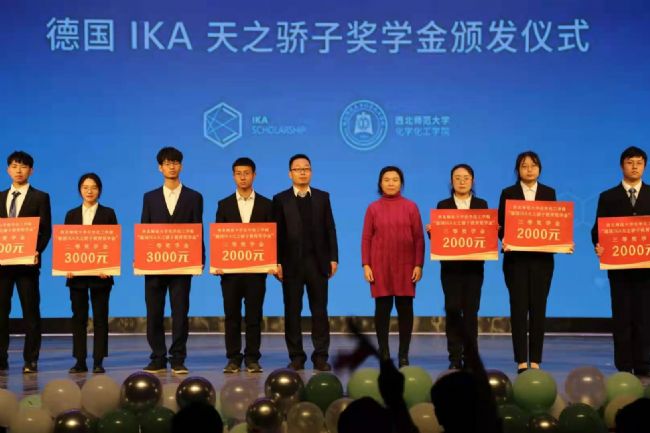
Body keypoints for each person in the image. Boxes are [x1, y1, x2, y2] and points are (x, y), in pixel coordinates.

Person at [141, 147, 203, 374]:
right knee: (154, 313)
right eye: (167, 163)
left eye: (175, 162)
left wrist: (200, 258)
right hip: (155, 265)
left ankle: (178, 358)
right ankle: (157, 357)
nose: (172, 167)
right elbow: (145, 229)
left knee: (180, 313)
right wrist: (141, 257)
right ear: (160, 167)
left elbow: (198, 229)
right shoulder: (150, 197)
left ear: (181, 166)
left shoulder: (194, 197)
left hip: (183, 264)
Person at [273, 154, 338, 371]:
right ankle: (296, 357)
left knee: (320, 311)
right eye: (298, 169)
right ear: (290, 173)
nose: (302, 172)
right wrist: (276, 262)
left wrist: (333, 258)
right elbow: (276, 234)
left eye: (306, 168)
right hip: (290, 265)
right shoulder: (280, 199)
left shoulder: (322, 197)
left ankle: (321, 356)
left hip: (317, 263)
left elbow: (330, 228)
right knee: (292, 312)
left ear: (311, 172)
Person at [592, 146, 650, 376]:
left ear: (644, 166)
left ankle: (644, 364)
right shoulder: (608, 197)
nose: (634, 167)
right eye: (630, 162)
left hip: (646, 269)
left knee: (645, 317)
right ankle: (624, 365)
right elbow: (597, 230)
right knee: (622, 317)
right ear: (621, 166)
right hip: (619, 269)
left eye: (639, 162)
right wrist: (599, 245)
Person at [498, 151, 557, 374]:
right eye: (524, 166)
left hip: (542, 262)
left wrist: (562, 242)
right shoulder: (508, 193)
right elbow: (501, 226)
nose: (529, 170)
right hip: (516, 261)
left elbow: (555, 224)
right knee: (519, 309)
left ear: (539, 168)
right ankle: (522, 359)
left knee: (539, 309)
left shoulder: (549, 193)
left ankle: (536, 359)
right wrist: (504, 238)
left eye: (533, 165)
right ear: (518, 170)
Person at [214, 157, 273, 374]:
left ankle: (252, 358)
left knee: (254, 317)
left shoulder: (267, 204)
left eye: (247, 173)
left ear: (254, 175)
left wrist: (273, 262)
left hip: (256, 273)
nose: (243, 177)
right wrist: (217, 263)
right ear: (233, 176)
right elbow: (219, 237)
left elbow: (272, 237)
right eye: (238, 173)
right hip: (230, 273)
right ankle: (233, 358)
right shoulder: (224, 204)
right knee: (232, 317)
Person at [361, 166, 424, 367]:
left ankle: (403, 355)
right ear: (380, 183)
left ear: (401, 183)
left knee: (405, 310)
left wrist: (418, 264)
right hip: (380, 265)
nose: (391, 183)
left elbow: (419, 238)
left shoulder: (411, 207)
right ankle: (384, 353)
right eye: (386, 179)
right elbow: (366, 238)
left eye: (395, 180)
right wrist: (366, 264)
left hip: (406, 265)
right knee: (382, 310)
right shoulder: (373, 208)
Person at [428, 164, 487, 370]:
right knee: (453, 311)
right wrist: (432, 232)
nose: (462, 181)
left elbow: (486, 235)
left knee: (471, 312)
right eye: (457, 178)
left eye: (466, 177)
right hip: (450, 269)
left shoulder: (481, 205)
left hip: (474, 269)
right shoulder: (443, 205)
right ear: (451, 181)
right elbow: (440, 238)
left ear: (473, 181)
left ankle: (471, 357)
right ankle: (454, 357)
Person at [0, 151, 51, 374]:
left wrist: (37, 251)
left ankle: (31, 359)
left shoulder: (40, 197)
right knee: (1, 314)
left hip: (27, 266)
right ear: (7, 170)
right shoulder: (0, 197)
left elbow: (45, 231)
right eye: (14, 166)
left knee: (31, 313)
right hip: (2, 267)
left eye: (23, 166)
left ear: (31, 170)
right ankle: (1, 358)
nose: (18, 170)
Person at [65, 173, 117, 374]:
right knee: (78, 318)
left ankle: (98, 361)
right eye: (85, 187)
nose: (89, 191)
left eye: (94, 187)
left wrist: (109, 267)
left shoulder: (108, 213)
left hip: (101, 276)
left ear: (99, 190)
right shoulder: (71, 215)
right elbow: (66, 244)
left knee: (100, 318)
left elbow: (113, 243)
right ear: (80, 190)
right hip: (76, 276)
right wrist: (66, 266)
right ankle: (79, 360)